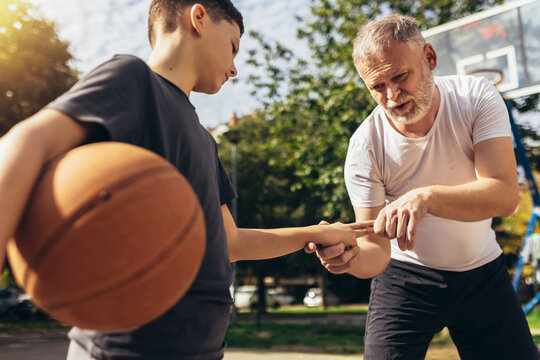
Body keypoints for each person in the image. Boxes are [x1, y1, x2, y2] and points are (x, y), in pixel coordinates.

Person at [0, 1, 374, 359]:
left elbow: (232, 242)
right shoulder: (134, 80)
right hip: (125, 350)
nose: (234, 69)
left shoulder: (204, 139)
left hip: (201, 348)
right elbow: (25, 143)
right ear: (198, 18)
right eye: (232, 47)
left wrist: (315, 232)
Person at [307, 13, 538, 360]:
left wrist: (425, 197)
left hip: (482, 273)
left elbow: (504, 195)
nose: (392, 95)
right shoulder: (365, 146)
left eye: (400, 77)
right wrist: (350, 258)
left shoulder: (476, 97)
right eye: (377, 87)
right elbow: (375, 251)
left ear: (429, 58)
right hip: (405, 277)